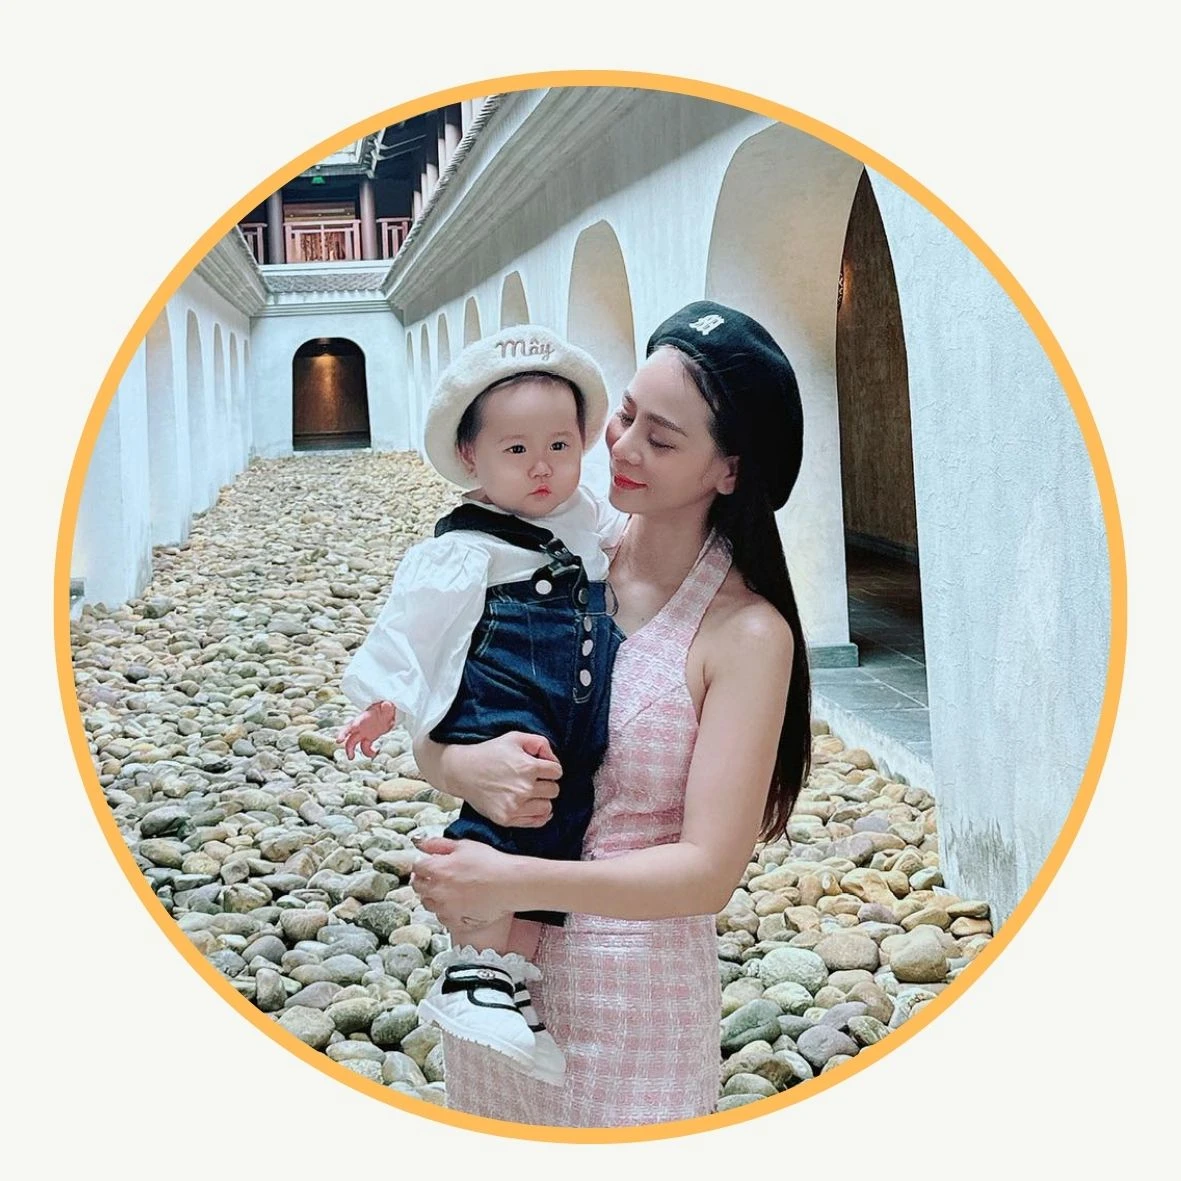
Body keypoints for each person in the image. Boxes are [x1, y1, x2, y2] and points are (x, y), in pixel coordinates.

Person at [410, 300, 814, 1128]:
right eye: (625, 414)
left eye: (660, 440)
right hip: (493, 986)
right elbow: (437, 716)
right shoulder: (546, 551)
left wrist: (510, 878)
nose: (621, 448)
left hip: (634, 1002)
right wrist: (458, 765)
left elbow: (707, 871)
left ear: (727, 470)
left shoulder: (745, 633)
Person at [336, 326, 627, 1086]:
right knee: (504, 825)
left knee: (554, 833)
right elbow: (413, 628)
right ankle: (472, 967)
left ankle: (512, 985)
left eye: (560, 446)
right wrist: (386, 701)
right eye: (516, 449)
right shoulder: (465, 547)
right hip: (503, 709)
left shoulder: (588, 521)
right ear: (472, 455)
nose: (542, 467)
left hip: (573, 725)